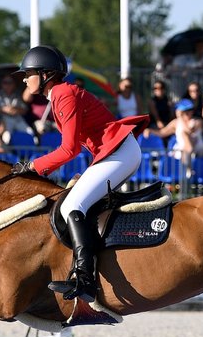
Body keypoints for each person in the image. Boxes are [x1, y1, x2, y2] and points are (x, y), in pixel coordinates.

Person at [10, 45, 149, 302]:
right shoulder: (61, 95)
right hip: (114, 153)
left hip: (121, 153)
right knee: (74, 199)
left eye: (28, 73)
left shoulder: (63, 94)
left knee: (72, 205)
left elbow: (69, 149)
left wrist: (33, 166)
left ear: (45, 74)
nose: (24, 78)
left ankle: (85, 278)